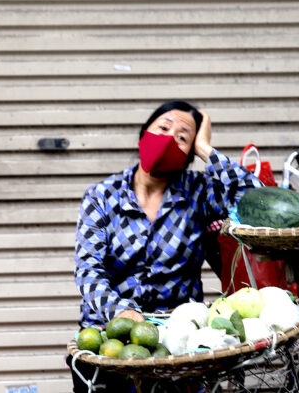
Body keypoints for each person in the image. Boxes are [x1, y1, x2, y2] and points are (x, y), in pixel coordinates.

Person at [67, 100, 263, 392]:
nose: (171, 137)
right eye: (163, 127)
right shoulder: (102, 196)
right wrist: (121, 312)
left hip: (179, 344)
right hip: (109, 342)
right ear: (143, 135)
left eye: (183, 137)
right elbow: (88, 272)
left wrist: (206, 150)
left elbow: (256, 203)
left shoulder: (199, 192)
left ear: (188, 155)